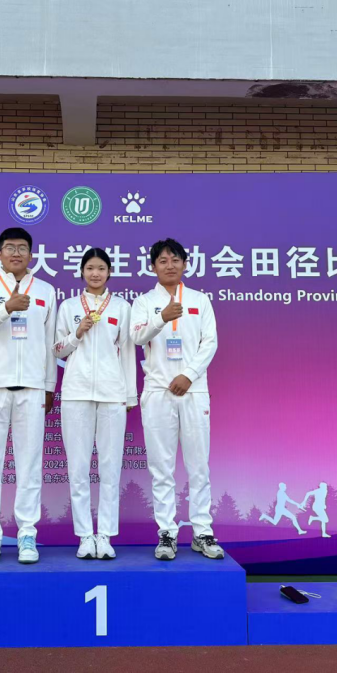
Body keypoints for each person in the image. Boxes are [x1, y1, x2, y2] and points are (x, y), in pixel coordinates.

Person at [0, 227, 57, 564]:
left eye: (22, 248)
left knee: (29, 464)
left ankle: (27, 535)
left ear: (32, 254)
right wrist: (6, 308)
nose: (16, 253)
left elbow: (50, 345)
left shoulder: (46, 291)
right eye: (9, 247)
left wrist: (49, 386)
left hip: (32, 388)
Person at [130, 238, 223, 560]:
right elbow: (136, 337)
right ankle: (167, 533)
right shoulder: (144, 302)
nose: (169, 265)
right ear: (153, 267)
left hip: (193, 390)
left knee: (198, 466)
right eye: (163, 261)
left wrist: (189, 375)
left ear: (185, 264)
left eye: (175, 260)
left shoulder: (200, 300)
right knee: (161, 467)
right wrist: (161, 317)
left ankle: (202, 532)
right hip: (158, 391)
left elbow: (209, 343)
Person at [54, 248, 137, 560]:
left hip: (112, 394)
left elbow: (128, 352)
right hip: (76, 393)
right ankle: (85, 536)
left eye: (101, 268)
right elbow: (57, 350)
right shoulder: (68, 306)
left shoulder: (121, 307)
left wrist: (130, 395)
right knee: (78, 467)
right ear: (82, 272)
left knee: (110, 467)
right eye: (90, 268)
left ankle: (105, 535)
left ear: (109, 272)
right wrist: (76, 334)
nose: (95, 273)